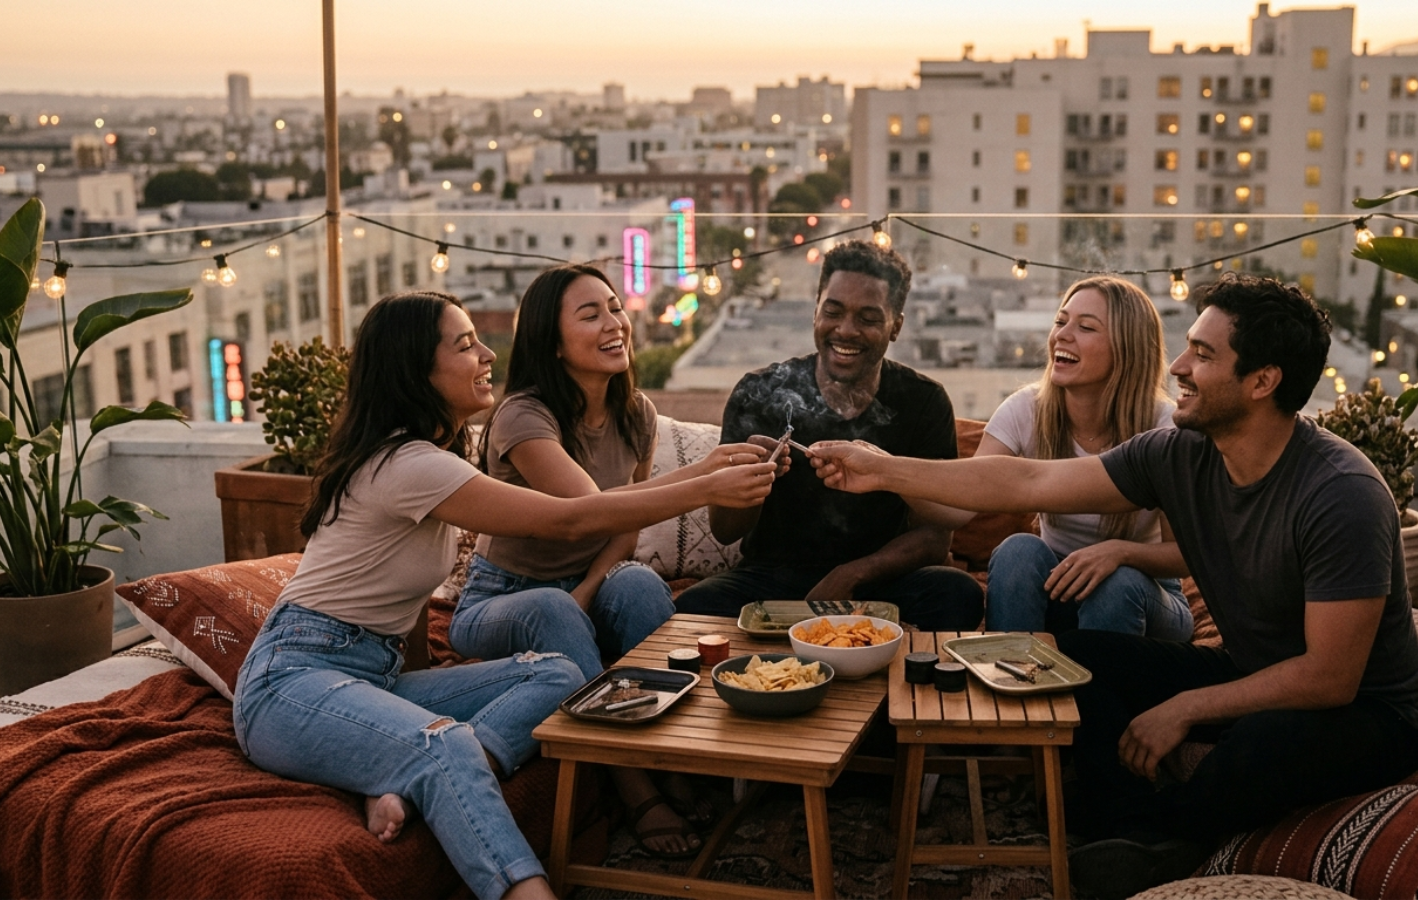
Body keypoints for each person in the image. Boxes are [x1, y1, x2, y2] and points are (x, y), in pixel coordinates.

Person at [810, 273, 1418, 899]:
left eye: (1204, 355)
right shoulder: (1178, 453)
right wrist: (883, 469)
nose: (1181, 365)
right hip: (1250, 669)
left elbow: (1329, 677)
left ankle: (1165, 845)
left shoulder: (1340, 493)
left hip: (1363, 712)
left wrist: (1185, 707)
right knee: (1078, 661)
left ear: (1262, 381)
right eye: (1189, 346)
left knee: (1264, 741)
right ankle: (1126, 827)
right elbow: (1025, 483)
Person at [232, 290, 775, 900]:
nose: (488, 353)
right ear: (417, 369)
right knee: (445, 744)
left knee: (564, 674)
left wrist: (706, 476)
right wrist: (706, 484)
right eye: (466, 345)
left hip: (375, 677)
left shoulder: (434, 455)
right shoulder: (407, 466)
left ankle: (405, 775)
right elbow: (571, 518)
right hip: (291, 682)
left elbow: (404, 617)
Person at [456, 265, 762, 857]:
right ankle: (634, 787)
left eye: (615, 308)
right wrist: (704, 481)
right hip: (501, 597)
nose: (613, 323)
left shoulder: (636, 413)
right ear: (552, 340)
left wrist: (590, 589)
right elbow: (589, 511)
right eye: (589, 314)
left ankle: (672, 752)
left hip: (575, 587)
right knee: (553, 608)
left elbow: (624, 526)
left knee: (642, 587)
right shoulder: (524, 417)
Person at [674, 240, 983, 631]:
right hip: (774, 579)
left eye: (868, 318)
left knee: (957, 592)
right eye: (833, 311)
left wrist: (853, 575)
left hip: (878, 582)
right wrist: (752, 480)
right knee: (698, 605)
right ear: (815, 311)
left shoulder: (923, 401)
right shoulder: (760, 391)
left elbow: (936, 539)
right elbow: (725, 529)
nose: (846, 330)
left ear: (896, 326)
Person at [978, 277, 1191, 640]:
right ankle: (1012, 684)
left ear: (1127, 348)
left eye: (1086, 327)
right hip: (1059, 587)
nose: (1062, 334)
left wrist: (1118, 553)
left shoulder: (1165, 427)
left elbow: (1186, 556)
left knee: (1117, 583)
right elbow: (966, 492)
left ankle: (1100, 697)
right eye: (1061, 322)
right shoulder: (1025, 409)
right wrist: (886, 469)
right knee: (1018, 551)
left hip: (1144, 593)